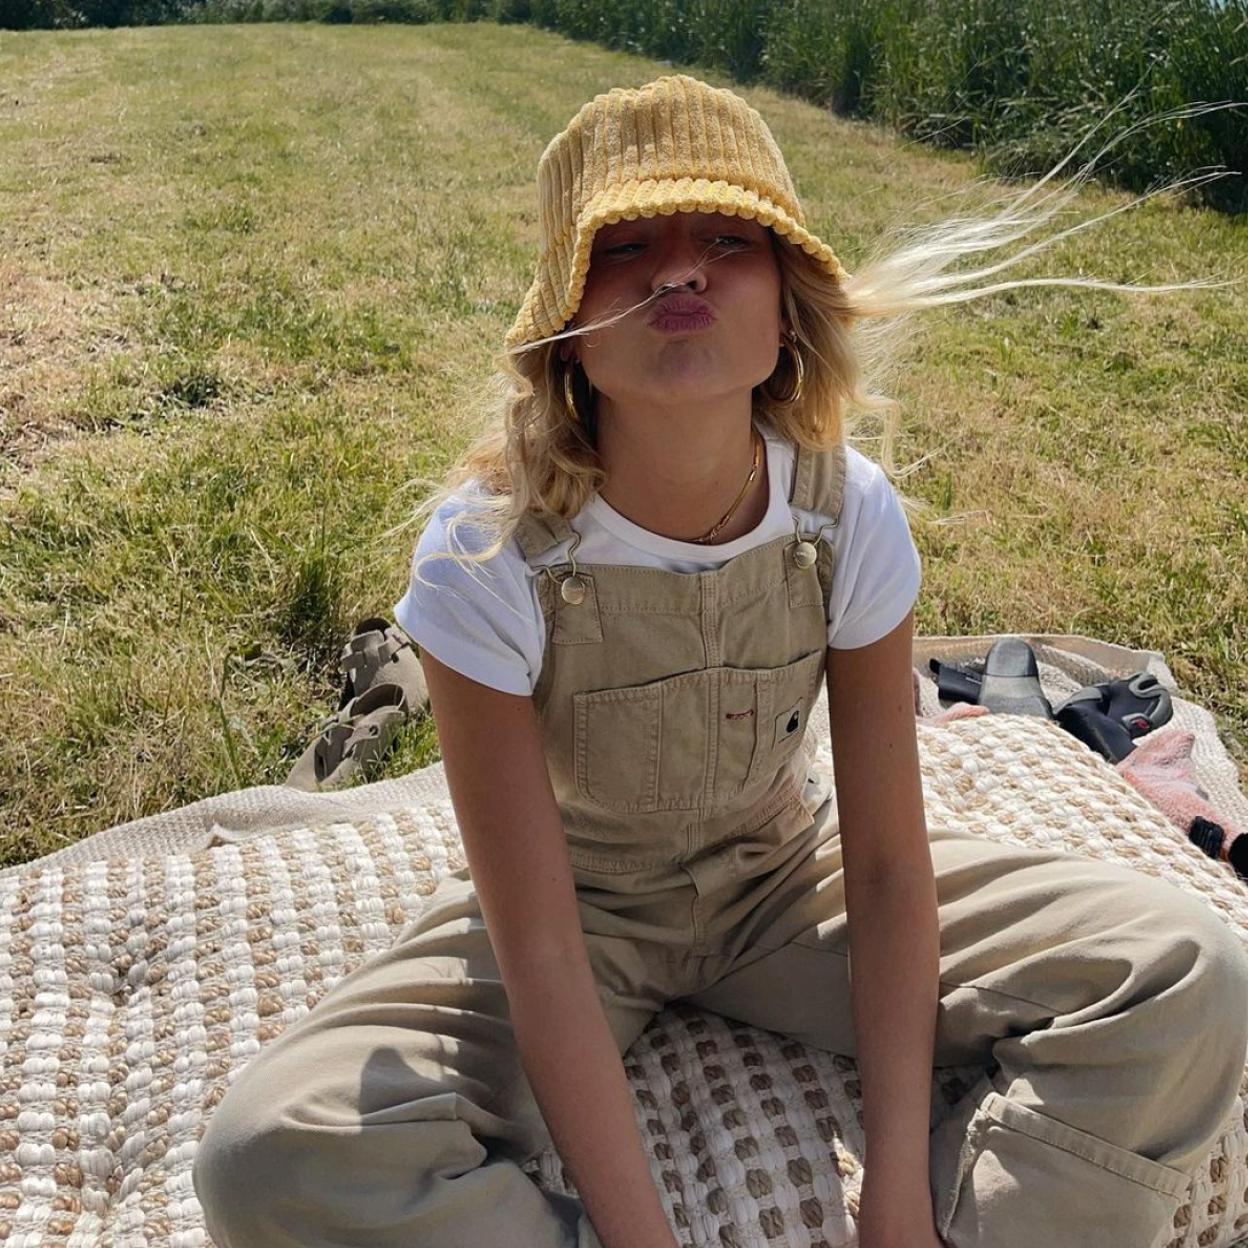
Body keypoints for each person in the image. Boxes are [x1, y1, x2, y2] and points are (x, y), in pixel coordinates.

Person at [191, 72, 1248, 1248]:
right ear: (566, 326)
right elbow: (538, 948)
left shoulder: (847, 513)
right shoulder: (485, 552)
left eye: (728, 239)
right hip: (577, 912)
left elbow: (888, 870)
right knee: (269, 1154)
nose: (679, 271)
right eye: (626, 245)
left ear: (788, 308)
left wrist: (898, 1198)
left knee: (1186, 971)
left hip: (790, 880)